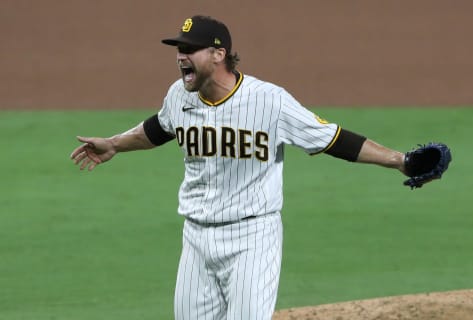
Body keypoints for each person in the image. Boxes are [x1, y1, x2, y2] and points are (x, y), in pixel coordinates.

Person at [70, 15, 407, 320]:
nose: (180, 56)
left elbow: (333, 139)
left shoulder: (269, 100)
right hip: (196, 237)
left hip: (252, 237)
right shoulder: (179, 95)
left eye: (190, 49)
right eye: (178, 49)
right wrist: (114, 143)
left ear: (219, 54)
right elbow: (159, 128)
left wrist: (399, 161)